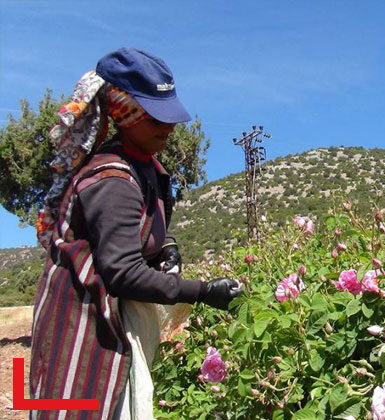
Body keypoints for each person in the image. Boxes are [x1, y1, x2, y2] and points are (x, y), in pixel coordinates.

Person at [30, 47, 241, 420]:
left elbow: (140, 225)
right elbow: (123, 272)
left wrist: (168, 245)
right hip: (84, 324)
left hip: (103, 317)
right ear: (125, 112)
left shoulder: (143, 165)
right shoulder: (111, 177)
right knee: (76, 405)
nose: (169, 126)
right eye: (155, 117)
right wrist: (204, 292)